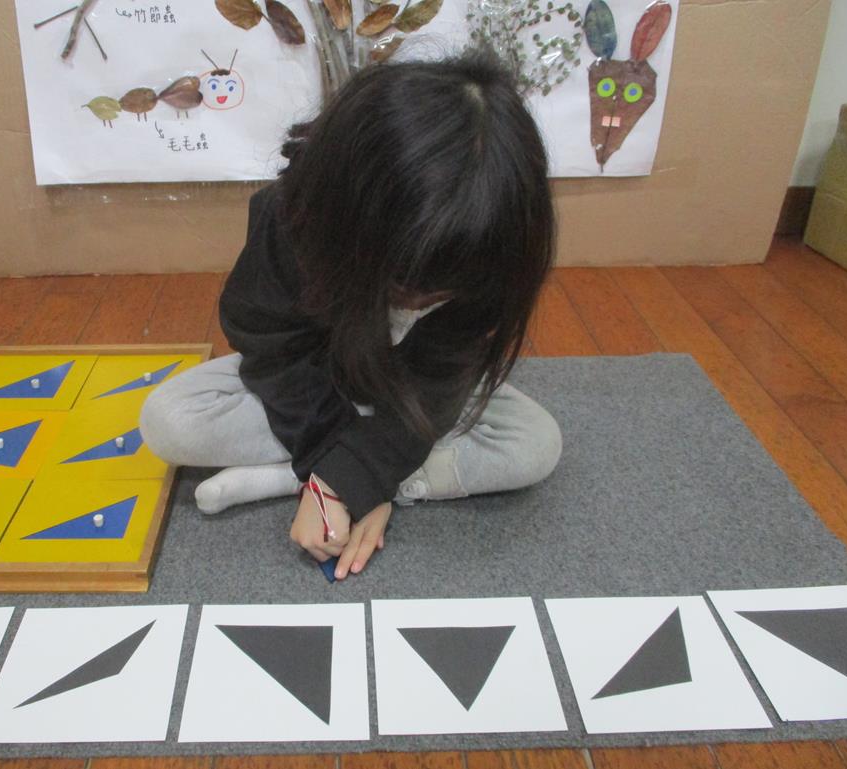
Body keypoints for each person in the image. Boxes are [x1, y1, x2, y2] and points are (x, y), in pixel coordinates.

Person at [140, 47, 562, 581]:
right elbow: (274, 350)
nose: (419, 304)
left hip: (411, 392)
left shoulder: (493, 243)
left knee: (535, 445)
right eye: (404, 287)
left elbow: (441, 383)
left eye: (441, 294)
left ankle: (300, 479)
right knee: (169, 420)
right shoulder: (295, 215)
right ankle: (342, 472)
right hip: (317, 376)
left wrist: (347, 482)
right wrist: (346, 471)